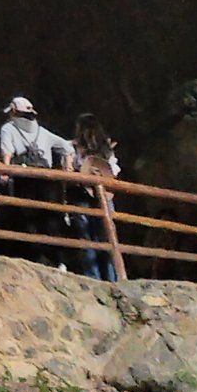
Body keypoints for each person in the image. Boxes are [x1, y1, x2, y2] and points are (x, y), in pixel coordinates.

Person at [0, 94, 77, 264]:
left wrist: (5, 172)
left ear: (14, 112)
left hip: (25, 180)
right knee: (50, 219)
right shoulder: (43, 131)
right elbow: (68, 148)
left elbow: (7, 152)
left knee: (26, 218)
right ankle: (58, 261)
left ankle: (33, 259)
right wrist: (68, 167)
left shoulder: (8, 129)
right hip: (47, 180)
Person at [73, 113, 122, 279]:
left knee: (89, 240)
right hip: (103, 197)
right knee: (107, 238)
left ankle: (94, 278)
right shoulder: (106, 150)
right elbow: (114, 171)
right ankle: (112, 278)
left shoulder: (77, 150)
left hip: (85, 196)